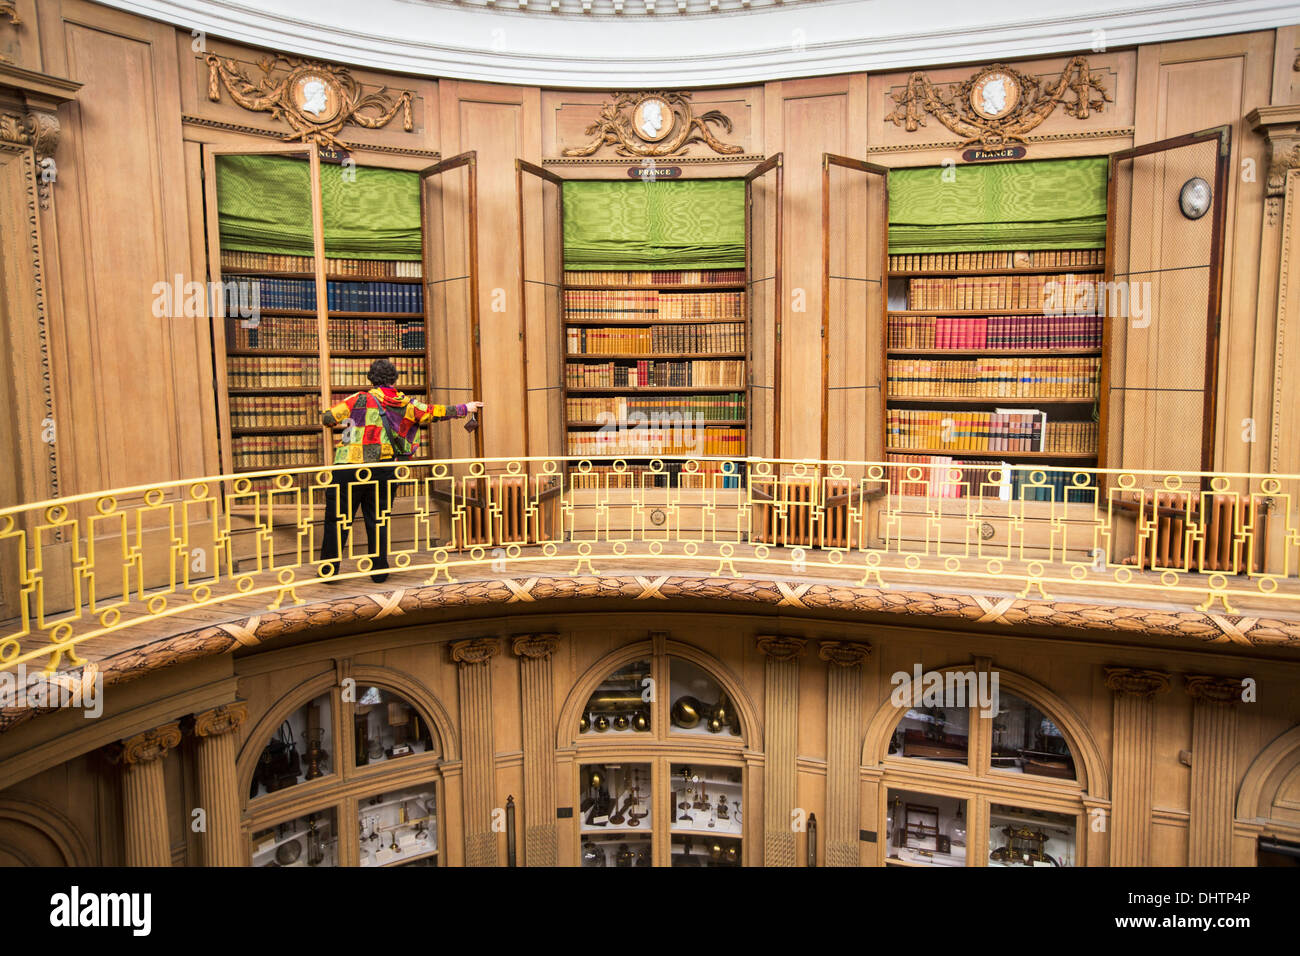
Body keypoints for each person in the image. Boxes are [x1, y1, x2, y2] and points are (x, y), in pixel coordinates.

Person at [318, 358, 483, 583]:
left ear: (372, 379)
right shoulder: (405, 403)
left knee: (337, 519)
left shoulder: (358, 399)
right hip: (384, 468)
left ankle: (329, 572)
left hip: (349, 467)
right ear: (394, 379)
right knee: (377, 518)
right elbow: (434, 412)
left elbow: (328, 418)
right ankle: (379, 571)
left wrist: (353, 426)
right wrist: (466, 408)